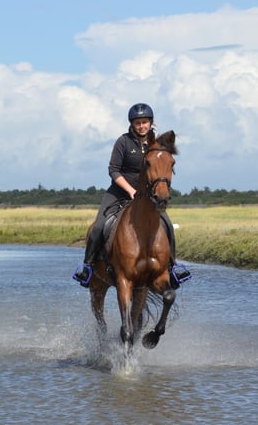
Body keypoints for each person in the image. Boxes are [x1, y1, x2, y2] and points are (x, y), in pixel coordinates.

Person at [73, 103, 191, 288]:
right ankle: (87, 267)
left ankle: (173, 267)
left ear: (150, 123)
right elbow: (113, 170)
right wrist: (130, 190)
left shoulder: (156, 144)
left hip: (147, 197)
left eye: (145, 122)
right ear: (132, 124)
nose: (141, 126)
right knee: (98, 227)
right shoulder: (123, 142)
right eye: (138, 123)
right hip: (120, 193)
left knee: (167, 226)